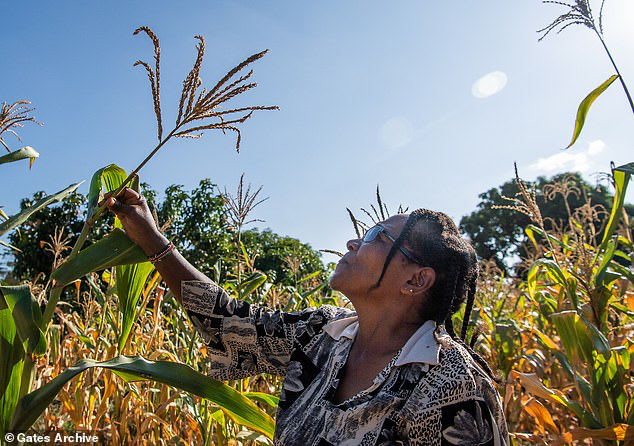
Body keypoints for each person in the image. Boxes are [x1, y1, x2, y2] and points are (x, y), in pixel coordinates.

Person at [101, 188, 509, 445]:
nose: (353, 240)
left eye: (375, 237)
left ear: (416, 280)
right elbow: (226, 326)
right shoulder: (323, 335)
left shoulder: (453, 386)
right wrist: (150, 237)